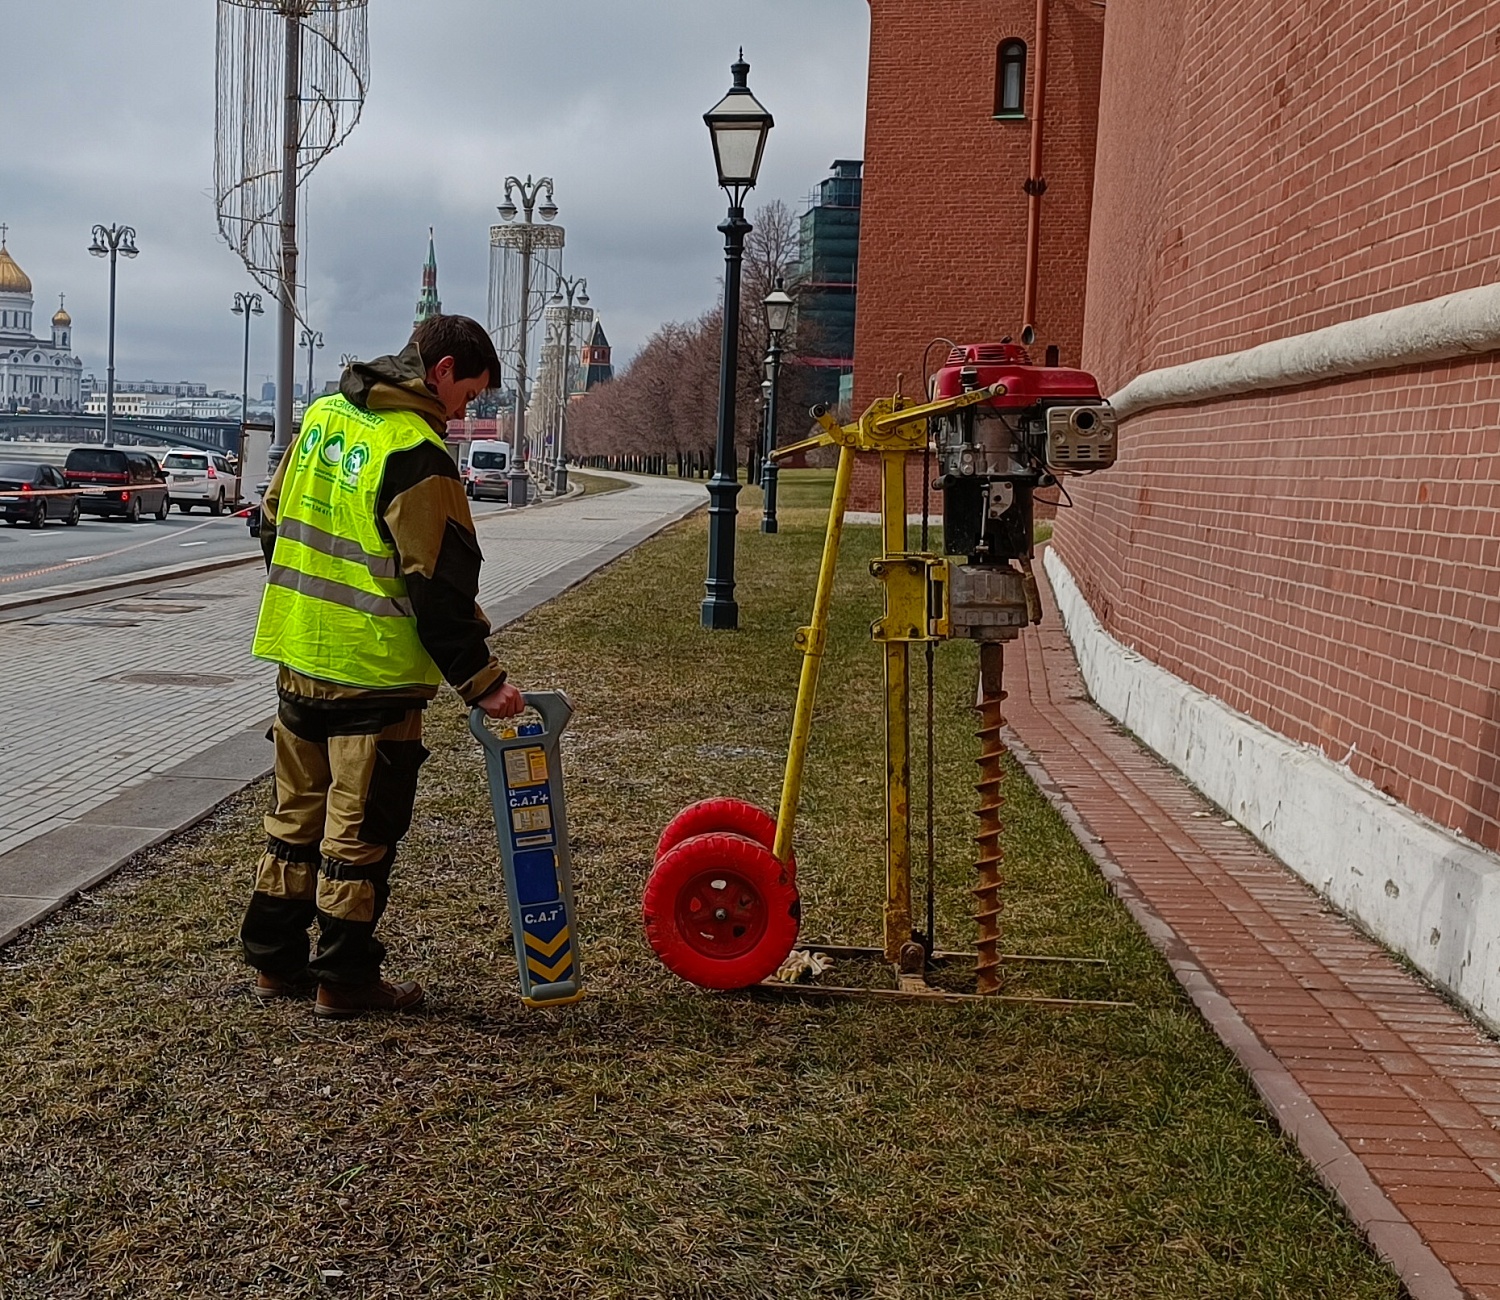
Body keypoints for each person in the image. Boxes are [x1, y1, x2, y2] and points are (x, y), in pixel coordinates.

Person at [241, 314, 524, 1018]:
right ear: (444, 370)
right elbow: (440, 583)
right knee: (359, 834)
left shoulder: (324, 418)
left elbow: (272, 523)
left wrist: (311, 609)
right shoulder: (418, 452)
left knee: (293, 817)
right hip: (376, 672)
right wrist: (482, 683)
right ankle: (345, 979)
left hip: (299, 654)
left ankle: (276, 964)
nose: (467, 414)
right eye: (471, 395)